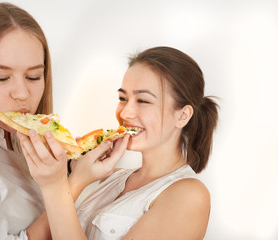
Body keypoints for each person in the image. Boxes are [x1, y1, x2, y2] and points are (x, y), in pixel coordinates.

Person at [0, 1, 128, 239]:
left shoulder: (19, 140)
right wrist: (73, 183)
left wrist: (73, 165)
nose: (21, 93)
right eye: (1, 77)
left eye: (33, 76)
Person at [18, 46, 219, 239]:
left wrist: (56, 186)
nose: (125, 112)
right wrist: (75, 179)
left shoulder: (189, 195)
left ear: (183, 116)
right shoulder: (109, 177)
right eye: (123, 98)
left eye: (143, 100)